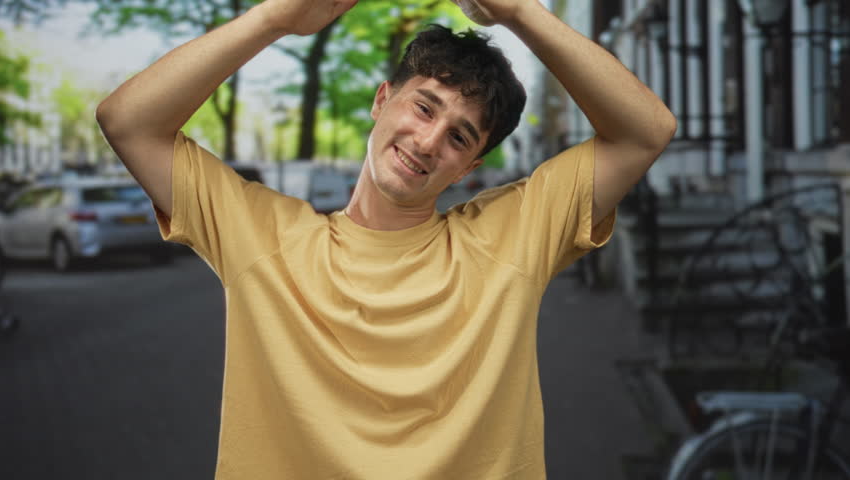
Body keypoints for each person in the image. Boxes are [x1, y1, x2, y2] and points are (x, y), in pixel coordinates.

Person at [96, 0, 676, 477]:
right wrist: (274, 17)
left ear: (470, 167)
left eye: (458, 137)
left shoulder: (510, 239)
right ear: (381, 100)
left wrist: (522, 12)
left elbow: (647, 131)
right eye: (423, 107)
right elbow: (127, 121)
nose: (428, 141)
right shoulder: (261, 238)